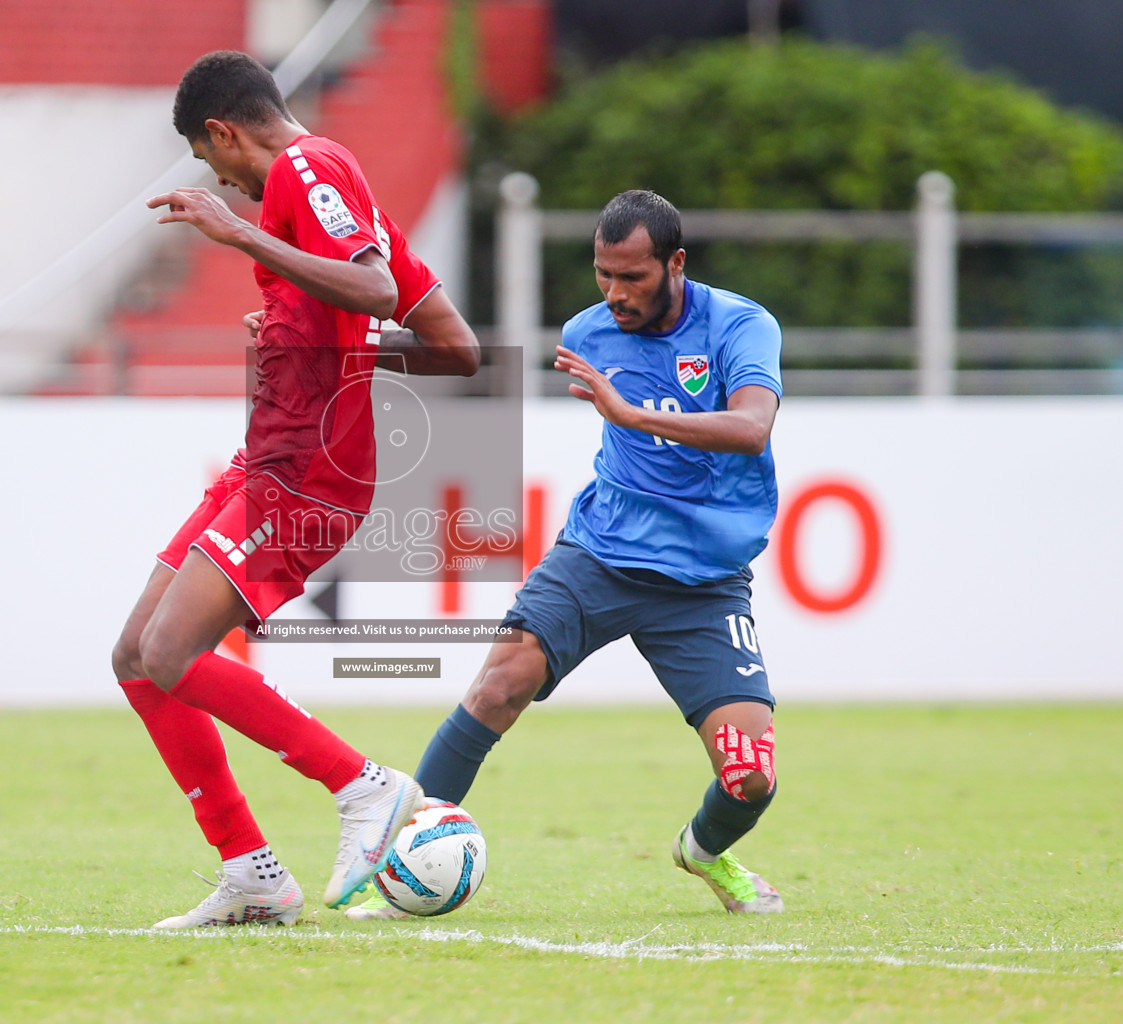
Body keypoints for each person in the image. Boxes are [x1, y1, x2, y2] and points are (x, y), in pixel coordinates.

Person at [348, 188, 786, 919]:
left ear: (676, 264)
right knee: (497, 686)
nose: (616, 294)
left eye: (634, 278)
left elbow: (751, 428)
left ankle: (703, 851)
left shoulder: (741, 325)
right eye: (603, 275)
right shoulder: (587, 332)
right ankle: (397, 875)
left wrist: (627, 412)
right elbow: (462, 360)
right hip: (599, 554)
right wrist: (360, 352)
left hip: (705, 582)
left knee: (750, 779)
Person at [117, 50, 480, 929]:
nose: (226, 187)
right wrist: (311, 334)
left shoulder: (308, 170)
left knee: (171, 653)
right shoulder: (337, 196)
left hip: (310, 473)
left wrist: (241, 235)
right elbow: (455, 346)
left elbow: (377, 287)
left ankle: (363, 784)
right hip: (269, 461)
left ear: (224, 131)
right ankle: (251, 871)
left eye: (215, 166)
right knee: (137, 658)